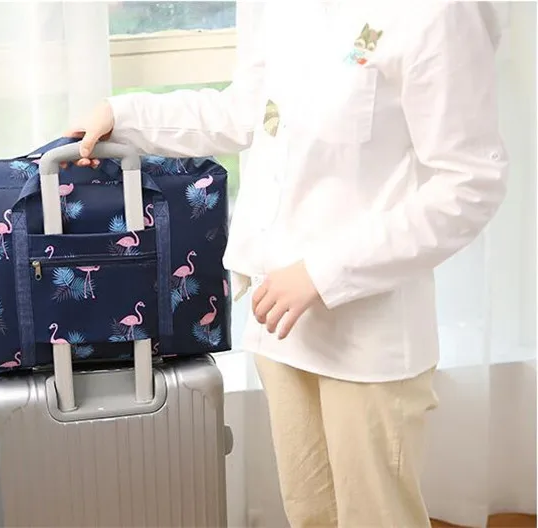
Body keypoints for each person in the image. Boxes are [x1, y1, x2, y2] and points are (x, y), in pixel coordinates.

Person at [67, 2, 508, 526]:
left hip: (368, 335)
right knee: (310, 514)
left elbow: (470, 184)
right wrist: (123, 114)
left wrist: (324, 273)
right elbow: (245, 113)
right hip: (280, 319)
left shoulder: (436, 13)